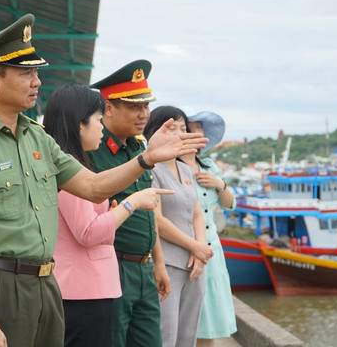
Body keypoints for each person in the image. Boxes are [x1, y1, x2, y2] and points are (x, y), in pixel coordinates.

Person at [0, 15, 207, 347]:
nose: (37, 82)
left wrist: (146, 159)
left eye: (37, 72)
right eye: (26, 73)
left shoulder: (36, 138)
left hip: (47, 284)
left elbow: (94, 186)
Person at [43, 84, 173, 347]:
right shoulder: (74, 169)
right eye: (98, 120)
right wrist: (130, 204)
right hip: (83, 288)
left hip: (100, 283)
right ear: (79, 125)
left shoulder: (86, 162)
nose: (101, 127)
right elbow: (88, 232)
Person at [89, 60, 182, 347]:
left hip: (143, 267)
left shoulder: (140, 148)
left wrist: (159, 263)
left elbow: (149, 209)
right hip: (111, 266)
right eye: (133, 106)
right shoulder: (92, 150)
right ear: (108, 108)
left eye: (146, 106)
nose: (143, 114)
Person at [143, 106, 213, 347]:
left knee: (188, 334)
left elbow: (196, 213)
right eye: (172, 129)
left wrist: (200, 249)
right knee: (167, 333)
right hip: (168, 263)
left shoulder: (185, 169)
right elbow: (157, 220)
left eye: (183, 129)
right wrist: (195, 246)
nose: (179, 134)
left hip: (194, 262)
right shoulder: (151, 169)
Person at [181, 111, 237, 347]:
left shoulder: (209, 165)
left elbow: (229, 204)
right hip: (183, 247)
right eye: (192, 127)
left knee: (210, 317)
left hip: (211, 247)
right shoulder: (171, 166)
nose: (197, 132)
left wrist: (220, 184)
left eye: (200, 128)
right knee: (184, 316)